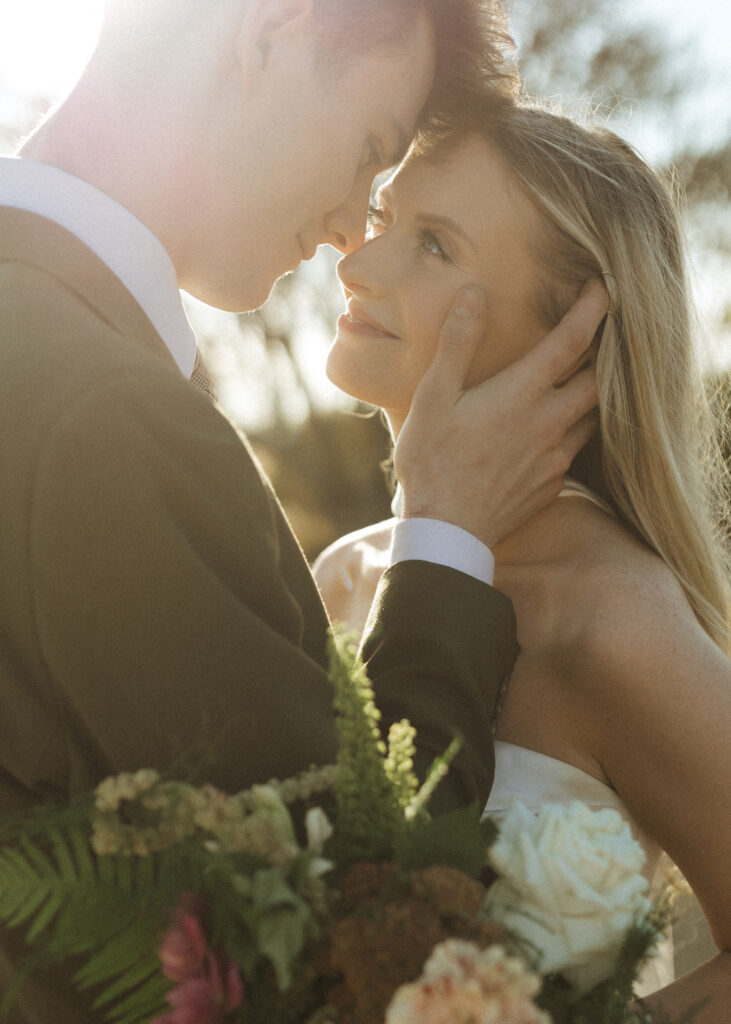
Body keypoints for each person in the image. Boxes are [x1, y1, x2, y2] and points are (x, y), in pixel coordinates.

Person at [0, 1, 606, 1019]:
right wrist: (445, 532)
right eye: (369, 150)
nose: (343, 229)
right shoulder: (108, 413)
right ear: (268, 31)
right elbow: (351, 918)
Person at [314, 100, 731, 1022]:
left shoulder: (611, 615)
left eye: (433, 245)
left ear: (567, 338)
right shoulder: (342, 575)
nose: (355, 260)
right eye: (385, 220)